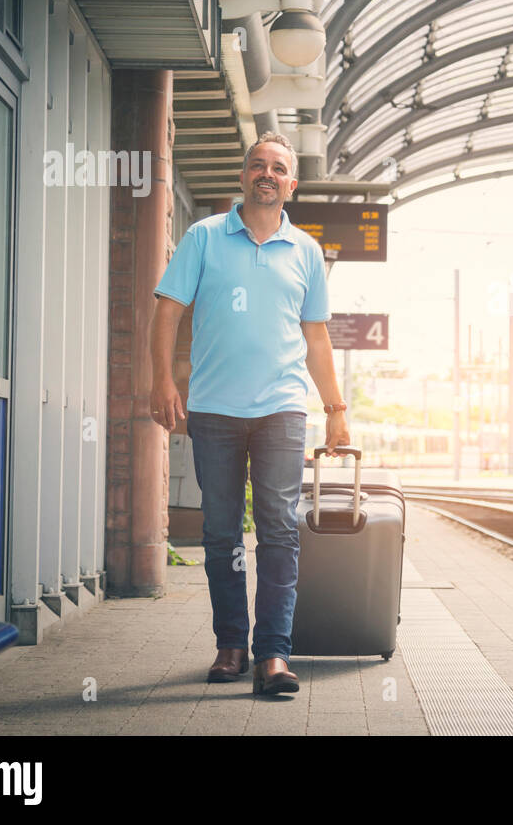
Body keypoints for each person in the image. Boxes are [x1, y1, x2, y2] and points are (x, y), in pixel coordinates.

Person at [149, 131, 349, 696]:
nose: (267, 173)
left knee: (281, 531)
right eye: (257, 165)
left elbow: (316, 338)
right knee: (221, 534)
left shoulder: (306, 252)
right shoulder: (204, 237)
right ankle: (230, 645)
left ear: (291, 183)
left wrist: (335, 410)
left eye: (278, 167)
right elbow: (167, 311)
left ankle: (274, 654)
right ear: (243, 177)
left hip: (282, 410)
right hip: (213, 410)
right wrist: (160, 379)